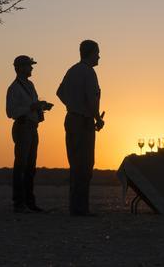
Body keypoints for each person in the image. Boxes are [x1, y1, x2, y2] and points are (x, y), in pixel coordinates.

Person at [55, 39, 105, 217]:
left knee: (75, 164)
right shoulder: (89, 73)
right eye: (97, 52)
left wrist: (72, 105)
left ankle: (75, 207)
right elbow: (92, 100)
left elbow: (59, 92)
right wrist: (97, 118)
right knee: (85, 165)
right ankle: (81, 208)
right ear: (90, 52)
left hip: (71, 119)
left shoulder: (72, 70)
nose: (99, 56)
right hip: (83, 122)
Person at [5, 54, 53, 213]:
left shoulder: (30, 85)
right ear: (19, 68)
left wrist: (42, 106)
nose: (31, 68)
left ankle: (29, 202)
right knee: (21, 165)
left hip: (32, 127)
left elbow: (32, 105)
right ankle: (19, 203)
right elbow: (10, 112)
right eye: (28, 65)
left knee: (30, 167)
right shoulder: (14, 88)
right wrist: (31, 108)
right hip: (22, 126)